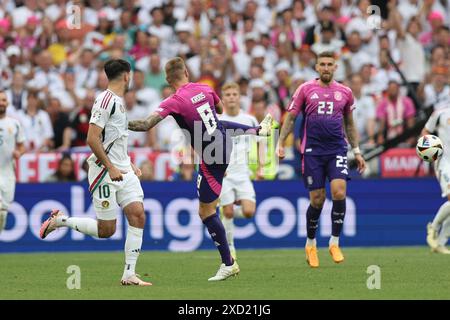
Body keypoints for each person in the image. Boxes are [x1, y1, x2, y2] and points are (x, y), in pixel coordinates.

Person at [128, 57, 273, 281]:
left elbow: (146, 124)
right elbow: (219, 110)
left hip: (211, 155)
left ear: (168, 79)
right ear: (186, 71)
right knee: (215, 123)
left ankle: (228, 263)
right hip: (225, 146)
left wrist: (119, 122)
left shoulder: (173, 100)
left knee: (205, 212)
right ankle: (257, 130)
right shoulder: (205, 88)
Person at [39, 59, 151, 286]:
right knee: (106, 230)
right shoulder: (105, 100)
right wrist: (110, 166)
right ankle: (60, 221)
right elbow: (92, 138)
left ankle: (129, 273)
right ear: (127, 76)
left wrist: (128, 164)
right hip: (103, 171)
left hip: (123, 169)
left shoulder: (119, 102)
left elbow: (115, 139)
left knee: (138, 214)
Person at [276, 51, 366, 268]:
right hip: (312, 152)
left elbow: (350, 124)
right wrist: (280, 143)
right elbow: (291, 117)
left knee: (339, 191)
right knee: (317, 200)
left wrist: (357, 151)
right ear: (316, 67)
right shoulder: (305, 89)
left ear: (335, 67)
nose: (326, 67)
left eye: (329, 64)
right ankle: (310, 244)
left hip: (337, 149)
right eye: (322, 64)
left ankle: (334, 242)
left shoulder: (345, 92)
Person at [218, 82, 261, 260]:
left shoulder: (249, 119)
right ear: (222, 99)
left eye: (235, 94)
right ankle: (230, 248)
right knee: (228, 212)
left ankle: (222, 212)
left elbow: (259, 143)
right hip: (224, 174)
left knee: (249, 211)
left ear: (239, 97)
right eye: (228, 95)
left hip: (243, 173)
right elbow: (209, 146)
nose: (232, 98)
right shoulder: (217, 120)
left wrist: (259, 166)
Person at [424, 107, 450, 254]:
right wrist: (429, 150)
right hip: (444, 162)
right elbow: (425, 132)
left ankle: (439, 243)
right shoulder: (440, 114)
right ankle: (433, 227)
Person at [0, 89, 26, 233]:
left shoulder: (14, 124)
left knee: (3, 212)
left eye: (3, 100)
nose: (1, 103)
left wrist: (18, 153)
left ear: (7, 103)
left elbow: (22, 147)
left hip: (8, 173)